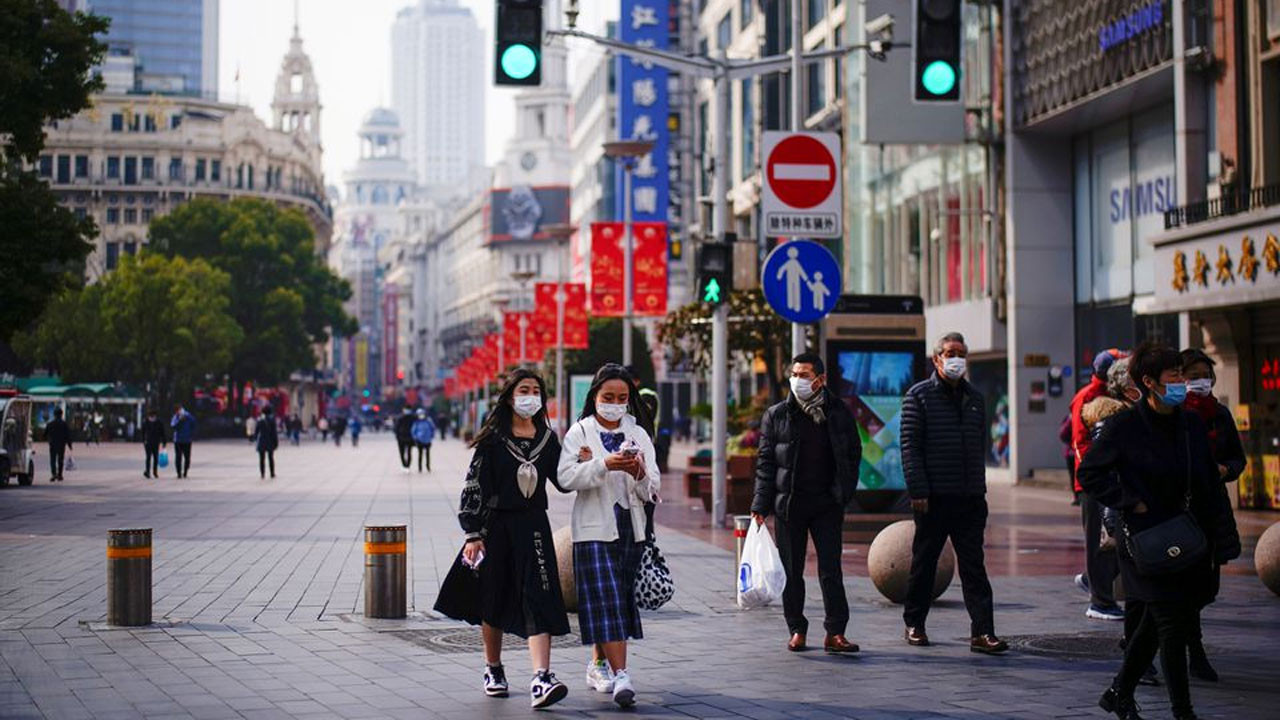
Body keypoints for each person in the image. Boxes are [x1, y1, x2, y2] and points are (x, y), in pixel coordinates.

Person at [1077, 342, 1224, 720]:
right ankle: (1183, 711)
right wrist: (1128, 500)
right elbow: (1089, 472)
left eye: (1181, 375)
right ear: (1149, 382)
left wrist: (1222, 534)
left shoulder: (1189, 423)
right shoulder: (1124, 425)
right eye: (1173, 377)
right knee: (1171, 626)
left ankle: (1118, 693)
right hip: (1143, 541)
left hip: (1186, 537)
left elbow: (1208, 481)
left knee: (1153, 627)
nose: (1181, 383)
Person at [434, 369, 571, 709]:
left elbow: (563, 480)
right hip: (496, 527)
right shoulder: (494, 440)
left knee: (541, 595)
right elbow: (475, 486)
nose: (530, 396)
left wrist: (586, 464)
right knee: (492, 598)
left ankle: (542, 677)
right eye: (524, 389)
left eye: (536, 390)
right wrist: (473, 533)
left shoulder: (547, 440)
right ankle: (493, 669)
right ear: (511, 396)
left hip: (535, 527)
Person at [557, 364, 660, 708]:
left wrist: (640, 472)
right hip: (593, 529)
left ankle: (598, 663)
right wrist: (603, 465)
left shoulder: (638, 432)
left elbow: (653, 488)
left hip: (631, 527)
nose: (615, 404)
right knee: (609, 597)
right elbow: (566, 477)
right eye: (608, 397)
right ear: (595, 397)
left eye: (621, 398)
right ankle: (622, 676)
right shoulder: (580, 432)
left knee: (614, 599)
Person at [900, 332, 1008, 654]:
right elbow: (910, 448)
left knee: (974, 566)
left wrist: (980, 491)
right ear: (937, 359)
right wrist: (918, 490)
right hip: (932, 498)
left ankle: (983, 632)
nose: (955, 358)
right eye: (950, 353)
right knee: (925, 564)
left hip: (969, 499)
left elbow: (980, 448)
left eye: (961, 352)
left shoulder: (975, 398)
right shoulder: (918, 396)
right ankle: (914, 624)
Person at [750, 352, 862, 654]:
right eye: (795, 374)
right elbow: (766, 463)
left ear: (820, 380)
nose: (797, 380)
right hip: (790, 504)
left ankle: (835, 632)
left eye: (804, 375)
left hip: (827, 504)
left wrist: (844, 492)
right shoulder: (778, 414)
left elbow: (853, 453)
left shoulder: (838, 412)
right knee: (791, 570)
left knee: (831, 570)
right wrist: (760, 505)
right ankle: (797, 629)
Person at [1179, 348, 1245, 683]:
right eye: (1191, 376)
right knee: (1184, 587)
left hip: (1212, 510)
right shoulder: (1171, 413)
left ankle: (1162, 636)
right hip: (1178, 514)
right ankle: (1194, 651)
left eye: (1203, 375)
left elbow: (1238, 458)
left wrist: (1225, 469)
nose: (1198, 381)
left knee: (1208, 589)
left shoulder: (1219, 415)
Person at [1075, 353, 1134, 623]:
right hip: (1098, 483)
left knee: (1113, 541)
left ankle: (1093, 581)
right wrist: (1094, 475)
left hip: (1112, 481)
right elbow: (1079, 442)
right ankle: (1100, 599)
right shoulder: (1094, 401)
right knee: (1102, 541)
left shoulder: (1119, 401)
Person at [44, 408, 71, 483]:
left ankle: (53, 474)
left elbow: (45, 434)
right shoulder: (64, 424)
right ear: (61, 414)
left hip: (52, 444)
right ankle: (60, 475)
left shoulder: (50, 424)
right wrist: (69, 445)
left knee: (52, 460)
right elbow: (67, 435)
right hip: (61, 445)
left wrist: (48, 439)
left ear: (54, 415)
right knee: (60, 460)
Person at [252, 406, 279, 479]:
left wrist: (254, 438)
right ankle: (272, 473)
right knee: (271, 458)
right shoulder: (272, 420)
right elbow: (274, 432)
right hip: (270, 440)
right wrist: (276, 442)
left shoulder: (260, 420)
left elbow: (256, 431)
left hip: (262, 441)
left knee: (261, 459)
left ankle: (262, 474)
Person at [170, 405, 196, 478]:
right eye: (177, 411)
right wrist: (179, 420)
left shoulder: (188, 416)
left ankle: (185, 471)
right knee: (178, 457)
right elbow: (173, 426)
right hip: (178, 440)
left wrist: (191, 434)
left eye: (180, 410)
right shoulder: (175, 417)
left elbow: (194, 423)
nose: (179, 412)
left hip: (187, 440)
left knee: (187, 457)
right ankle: (178, 473)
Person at [140, 409, 166, 479]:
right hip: (148, 442)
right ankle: (148, 472)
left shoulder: (159, 422)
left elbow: (162, 433)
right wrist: (143, 440)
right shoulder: (145, 422)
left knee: (155, 458)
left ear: (155, 416)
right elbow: (142, 432)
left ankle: (155, 472)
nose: (152, 418)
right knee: (148, 457)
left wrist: (164, 442)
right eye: (150, 416)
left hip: (156, 442)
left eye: (153, 416)